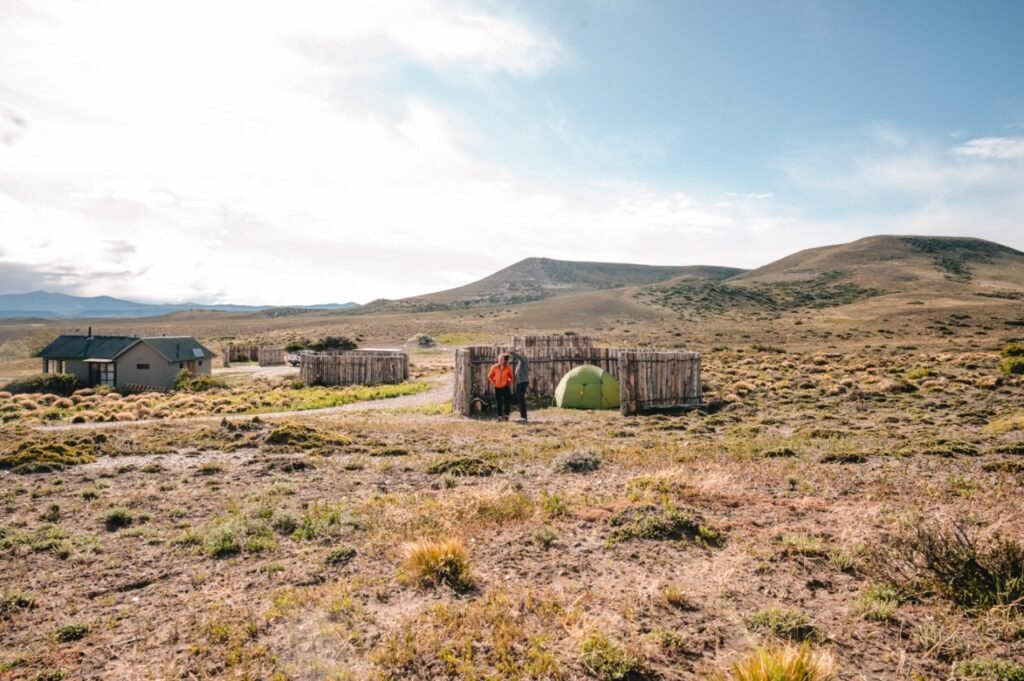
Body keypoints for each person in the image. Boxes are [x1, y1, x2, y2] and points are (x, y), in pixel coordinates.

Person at [487, 353, 514, 421]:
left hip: (505, 387)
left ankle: (506, 416)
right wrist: (494, 383)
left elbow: (511, 377)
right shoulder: (494, 367)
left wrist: (509, 383)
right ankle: (499, 416)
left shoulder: (508, 367)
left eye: (502, 359)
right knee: (499, 402)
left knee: (506, 402)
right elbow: (489, 376)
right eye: (499, 359)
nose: (500, 360)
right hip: (497, 387)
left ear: (504, 360)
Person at [508, 346, 530, 422]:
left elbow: (518, 356)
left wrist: (511, 352)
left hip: (523, 382)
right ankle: (523, 416)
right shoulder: (520, 362)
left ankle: (523, 417)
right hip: (520, 382)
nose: (517, 351)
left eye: (519, 350)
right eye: (517, 350)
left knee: (521, 399)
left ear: (523, 351)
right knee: (520, 399)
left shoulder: (524, 358)